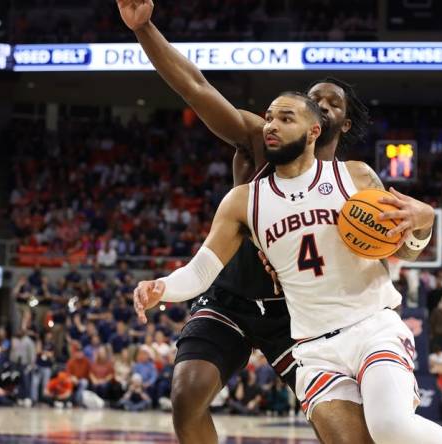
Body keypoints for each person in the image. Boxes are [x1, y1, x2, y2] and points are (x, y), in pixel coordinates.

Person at [116, 0, 376, 442]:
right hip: (231, 296)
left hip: (300, 314)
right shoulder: (261, 138)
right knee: (186, 393)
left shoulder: (353, 182)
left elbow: (377, 253)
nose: (319, 106)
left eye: (331, 104)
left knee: (343, 427)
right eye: (312, 99)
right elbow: (196, 88)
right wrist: (144, 30)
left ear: (341, 124)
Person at [133, 92, 442, 443]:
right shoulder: (244, 201)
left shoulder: (355, 177)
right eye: (269, 117)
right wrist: (162, 286)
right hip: (314, 349)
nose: (272, 125)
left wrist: (423, 225)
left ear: (314, 131)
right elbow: (200, 271)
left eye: (286, 118)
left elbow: (404, 249)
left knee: (390, 426)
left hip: (371, 327)